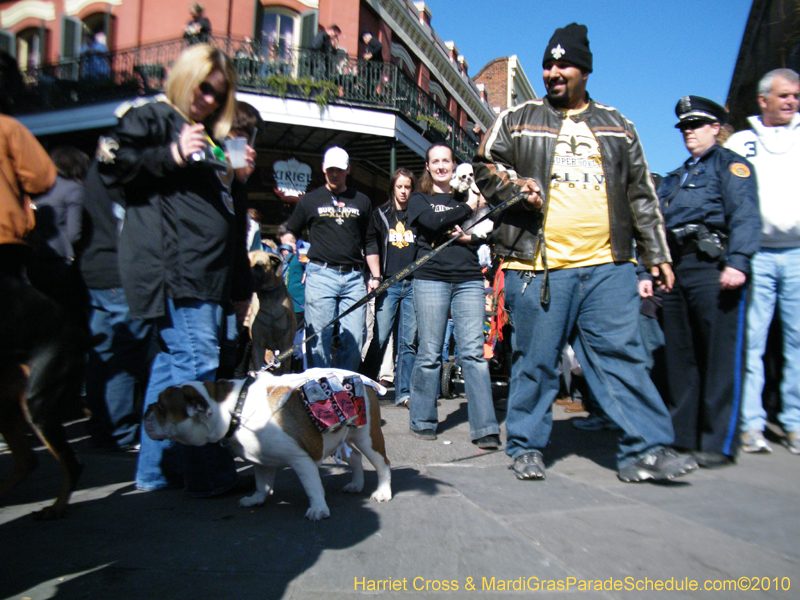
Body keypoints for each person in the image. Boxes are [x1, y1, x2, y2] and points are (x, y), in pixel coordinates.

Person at [473, 23, 695, 482]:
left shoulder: (618, 125)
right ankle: (525, 445)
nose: (554, 72)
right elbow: (484, 164)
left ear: (585, 71)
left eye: (563, 64)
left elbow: (641, 194)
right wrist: (515, 185)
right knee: (535, 359)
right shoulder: (517, 118)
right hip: (537, 265)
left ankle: (646, 450)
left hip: (608, 265)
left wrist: (656, 250)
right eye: (548, 64)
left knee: (623, 356)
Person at [99, 44, 247, 495]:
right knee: (197, 368)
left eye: (218, 95)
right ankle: (205, 476)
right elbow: (111, 164)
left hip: (203, 273)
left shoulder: (208, 138)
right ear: (184, 77)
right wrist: (172, 153)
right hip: (179, 270)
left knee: (169, 372)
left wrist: (237, 176)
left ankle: (155, 472)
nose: (207, 100)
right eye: (203, 88)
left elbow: (226, 214)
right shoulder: (153, 117)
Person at [658, 96, 761, 468]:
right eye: (684, 126)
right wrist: (648, 269)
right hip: (677, 267)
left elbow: (745, 216)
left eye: (696, 124)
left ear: (715, 128)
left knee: (719, 356)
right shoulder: (675, 177)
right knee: (680, 357)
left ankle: (719, 442)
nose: (688, 131)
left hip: (714, 266)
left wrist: (739, 261)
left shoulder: (731, 167)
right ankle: (682, 436)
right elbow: (654, 226)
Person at [407, 143, 501, 449]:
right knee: (430, 351)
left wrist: (465, 231)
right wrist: (467, 210)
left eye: (446, 160)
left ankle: (485, 426)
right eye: (435, 161)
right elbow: (433, 223)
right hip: (430, 277)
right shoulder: (420, 198)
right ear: (428, 166)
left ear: (453, 164)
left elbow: (481, 237)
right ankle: (422, 419)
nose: (441, 166)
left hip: (468, 278)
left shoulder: (470, 195)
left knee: (473, 353)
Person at [726, 69, 800, 455]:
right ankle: (751, 423)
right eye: (784, 95)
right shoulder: (741, 143)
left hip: (798, 252)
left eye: (795, 96)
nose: (791, 102)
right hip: (756, 254)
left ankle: (794, 422)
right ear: (763, 100)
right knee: (751, 340)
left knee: (797, 341)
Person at [80, 157, 154, 452]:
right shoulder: (124, 172)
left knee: (101, 356)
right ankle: (120, 432)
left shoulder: (93, 174)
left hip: (93, 268)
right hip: (120, 271)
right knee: (125, 356)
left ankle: (102, 429)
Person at [281, 147, 372, 371]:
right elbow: (291, 229)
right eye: (331, 169)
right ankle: (318, 389)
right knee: (318, 337)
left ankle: (342, 388)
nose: (334, 174)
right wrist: (288, 241)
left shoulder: (362, 201)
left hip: (353, 277)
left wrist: (375, 276)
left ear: (348, 170)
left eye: (339, 170)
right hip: (320, 274)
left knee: (354, 339)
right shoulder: (309, 200)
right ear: (323, 169)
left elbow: (370, 241)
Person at [362, 168, 418, 408]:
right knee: (380, 336)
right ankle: (364, 386)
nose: (403, 191)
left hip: (414, 283)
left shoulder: (418, 214)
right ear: (393, 188)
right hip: (389, 283)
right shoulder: (382, 214)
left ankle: (404, 393)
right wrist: (375, 276)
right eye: (400, 186)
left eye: (408, 187)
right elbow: (371, 243)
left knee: (409, 342)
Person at [26, 145, 90, 329]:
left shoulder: (39, 188)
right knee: (71, 314)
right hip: (61, 260)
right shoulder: (74, 189)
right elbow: (74, 234)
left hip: (36, 259)